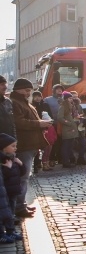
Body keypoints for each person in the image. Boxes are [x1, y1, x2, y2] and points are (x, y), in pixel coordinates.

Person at [10, 78, 52, 216]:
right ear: (19, 90)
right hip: (24, 145)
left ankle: (21, 204)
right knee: (23, 177)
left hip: (30, 145)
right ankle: (19, 207)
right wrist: (39, 124)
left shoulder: (23, 102)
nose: (29, 93)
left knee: (25, 176)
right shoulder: (16, 103)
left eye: (30, 90)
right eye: (27, 90)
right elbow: (19, 122)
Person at [0, 134, 23, 244]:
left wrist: (21, 164)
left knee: (10, 212)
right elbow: (4, 177)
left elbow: (21, 173)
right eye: (13, 146)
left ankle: (10, 231)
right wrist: (7, 168)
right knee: (4, 212)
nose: (15, 148)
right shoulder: (3, 161)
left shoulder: (13, 158)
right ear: (4, 148)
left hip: (13, 191)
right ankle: (3, 233)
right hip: (5, 192)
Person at [42, 84, 63, 166]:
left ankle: (60, 158)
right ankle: (51, 159)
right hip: (52, 124)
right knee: (52, 142)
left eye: (61, 90)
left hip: (62, 124)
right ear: (54, 91)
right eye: (57, 89)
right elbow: (45, 110)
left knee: (61, 142)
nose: (59, 91)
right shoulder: (48, 99)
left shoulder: (64, 99)